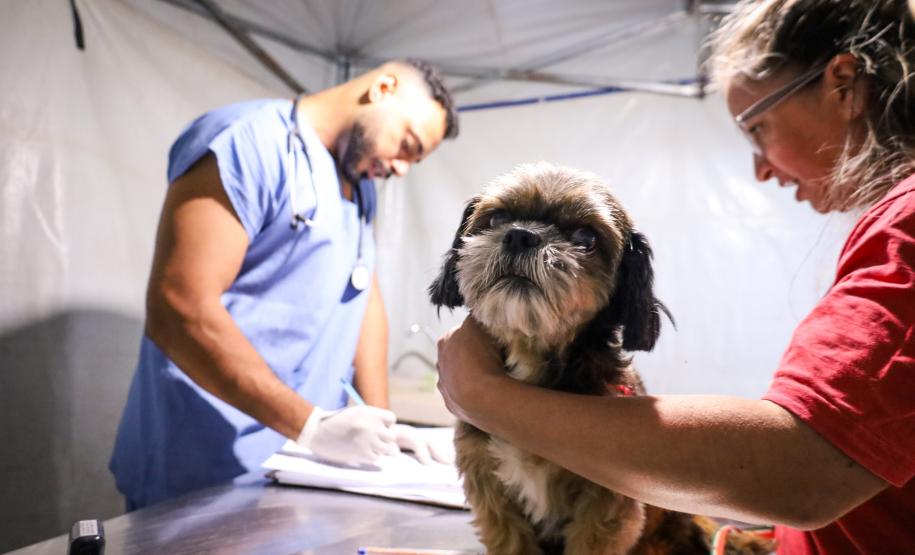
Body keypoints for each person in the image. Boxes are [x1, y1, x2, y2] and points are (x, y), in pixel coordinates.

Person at [435, 1, 915, 553]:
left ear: (843, 84)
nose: (759, 167)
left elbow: (804, 470)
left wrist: (481, 395)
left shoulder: (907, 228)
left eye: (757, 127)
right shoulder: (886, 224)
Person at [110, 59, 460, 509]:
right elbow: (180, 306)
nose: (401, 168)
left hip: (298, 467)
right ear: (384, 88)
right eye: (406, 145)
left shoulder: (359, 186)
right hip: (207, 460)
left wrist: (382, 426)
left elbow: (362, 293)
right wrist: (311, 425)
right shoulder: (249, 143)